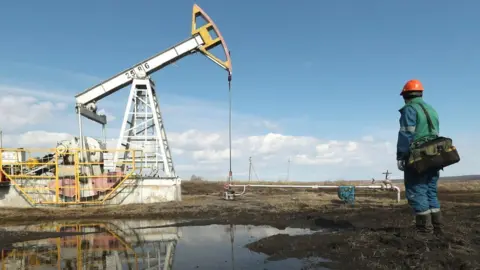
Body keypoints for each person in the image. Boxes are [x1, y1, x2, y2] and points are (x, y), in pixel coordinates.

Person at [396, 79, 443, 235]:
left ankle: (424, 231)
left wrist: (401, 156)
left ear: (405, 95)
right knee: (430, 190)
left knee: (417, 190)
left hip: (418, 157)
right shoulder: (432, 110)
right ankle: (437, 228)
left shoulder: (410, 109)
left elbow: (406, 134)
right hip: (436, 155)